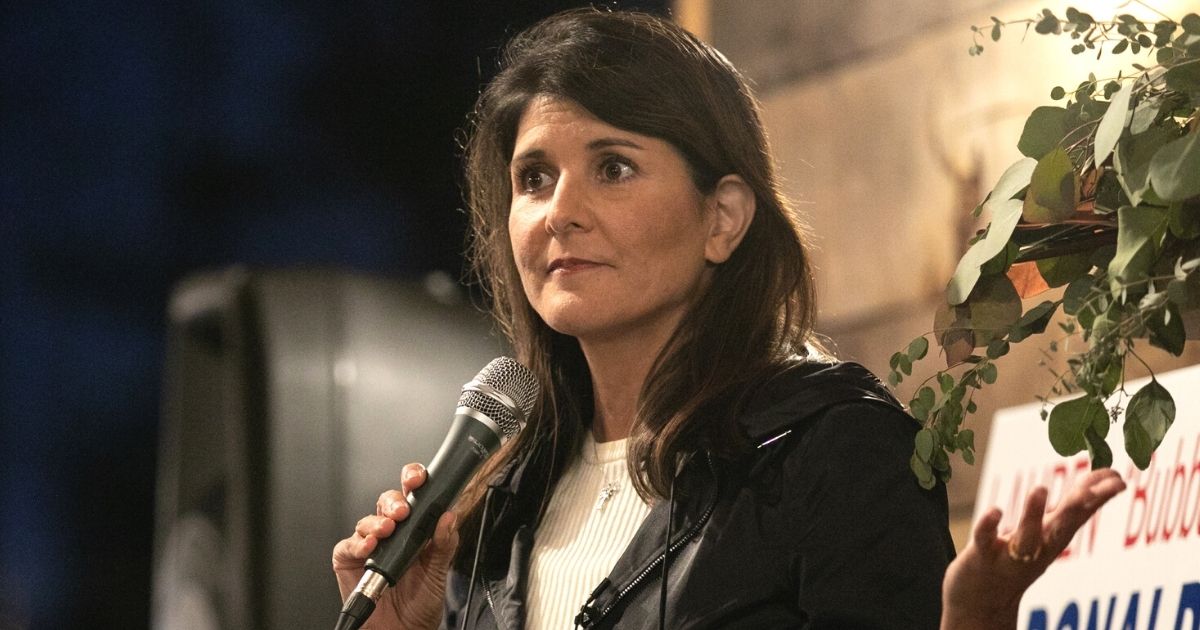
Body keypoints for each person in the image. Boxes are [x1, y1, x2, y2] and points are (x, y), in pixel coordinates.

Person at [332, 8, 1126, 630]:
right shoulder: (502, 505)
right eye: (534, 178)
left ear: (724, 219)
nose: (559, 213)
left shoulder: (832, 448)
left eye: (613, 168)